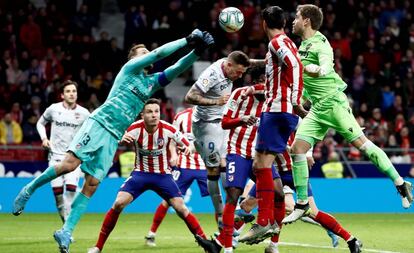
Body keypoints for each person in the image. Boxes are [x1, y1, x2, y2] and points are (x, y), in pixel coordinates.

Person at [12, 29, 214, 253]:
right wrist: (187, 40)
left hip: (113, 136)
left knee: (91, 185)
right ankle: (28, 190)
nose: (147, 54)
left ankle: (66, 231)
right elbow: (158, 54)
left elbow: (175, 69)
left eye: (146, 51)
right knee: (69, 165)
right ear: (133, 59)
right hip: (99, 124)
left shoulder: (150, 83)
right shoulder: (129, 70)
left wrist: (197, 52)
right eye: (142, 52)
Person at [283, 4, 413, 229]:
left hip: (334, 104)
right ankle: (302, 203)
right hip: (317, 109)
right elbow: (307, 83)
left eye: (296, 17)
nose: (292, 20)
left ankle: (401, 183)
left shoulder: (322, 44)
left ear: (306, 21)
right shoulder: (301, 46)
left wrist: (314, 69)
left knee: (363, 146)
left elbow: (325, 68)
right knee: (297, 150)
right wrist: (298, 100)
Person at [87, 99, 206, 253]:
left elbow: (188, 144)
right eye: (149, 112)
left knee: (181, 208)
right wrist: (121, 138)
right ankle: (98, 247)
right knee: (118, 204)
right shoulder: (135, 128)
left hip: (163, 176)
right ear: (142, 115)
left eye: (156, 111)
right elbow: (115, 136)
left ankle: (206, 244)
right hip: (140, 174)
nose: (154, 115)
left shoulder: (168, 129)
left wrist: (188, 149)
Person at [237, 6, 307, 243]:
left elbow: (296, 66)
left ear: (265, 24)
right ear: (285, 22)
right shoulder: (285, 43)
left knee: (260, 166)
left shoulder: (276, 43)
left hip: (277, 110)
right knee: (262, 166)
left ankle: (264, 221)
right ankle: (268, 220)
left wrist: (296, 100)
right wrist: (250, 62)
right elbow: (281, 64)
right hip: (281, 111)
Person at [195, 69, 285, 253]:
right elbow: (224, 122)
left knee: (279, 194)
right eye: (260, 81)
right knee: (233, 196)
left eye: (267, 81)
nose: (264, 86)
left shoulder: (274, 100)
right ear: (254, 82)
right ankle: (227, 248)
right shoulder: (239, 94)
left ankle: (273, 244)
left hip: (260, 155)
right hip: (237, 152)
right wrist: (241, 119)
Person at [239, 134, 361, 253]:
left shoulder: (288, 119)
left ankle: (350, 239)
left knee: (312, 212)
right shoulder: (260, 123)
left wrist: (308, 154)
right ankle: (228, 240)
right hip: (273, 173)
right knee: (246, 206)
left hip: (294, 172)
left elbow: (308, 131)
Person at [184, 50, 251, 228]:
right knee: (213, 169)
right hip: (205, 125)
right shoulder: (211, 74)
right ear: (228, 66)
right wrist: (216, 102)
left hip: (222, 122)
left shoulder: (230, 63)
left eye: (242, 73)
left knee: (227, 163)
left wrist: (269, 59)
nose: (239, 76)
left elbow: (247, 62)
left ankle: (232, 209)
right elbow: (190, 96)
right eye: (237, 72)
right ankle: (221, 214)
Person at [144, 107, 208, 247]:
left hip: (206, 165)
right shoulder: (181, 116)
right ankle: (151, 234)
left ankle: (224, 238)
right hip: (184, 165)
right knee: (168, 200)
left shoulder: (213, 113)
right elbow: (172, 139)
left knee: (218, 202)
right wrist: (174, 155)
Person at [36, 80, 89, 224]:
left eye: (74, 91)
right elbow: (40, 123)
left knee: (71, 191)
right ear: (62, 95)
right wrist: (44, 138)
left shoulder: (84, 113)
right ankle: (65, 223)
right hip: (55, 158)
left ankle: (67, 230)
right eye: (68, 91)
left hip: (73, 158)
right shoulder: (53, 109)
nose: (71, 94)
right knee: (59, 197)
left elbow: (90, 133)